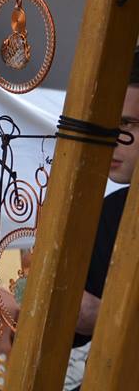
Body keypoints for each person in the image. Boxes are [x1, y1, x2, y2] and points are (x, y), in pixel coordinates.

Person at [75, 48, 139, 339]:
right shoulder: (110, 212)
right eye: (108, 125)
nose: (112, 140)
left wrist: (107, 316)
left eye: (126, 124)